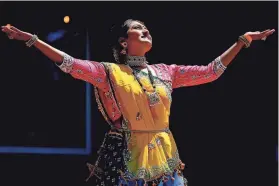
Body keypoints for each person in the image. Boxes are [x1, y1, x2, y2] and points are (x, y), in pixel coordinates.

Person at [1, 19, 275, 186]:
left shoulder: (167, 72)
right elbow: (69, 63)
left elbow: (210, 72)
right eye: (137, 29)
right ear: (124, 43)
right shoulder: (108, 72)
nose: (145, 30)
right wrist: (33, 40)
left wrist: (242, 42)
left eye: (146, 28)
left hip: (166, 156)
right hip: (126, 158)